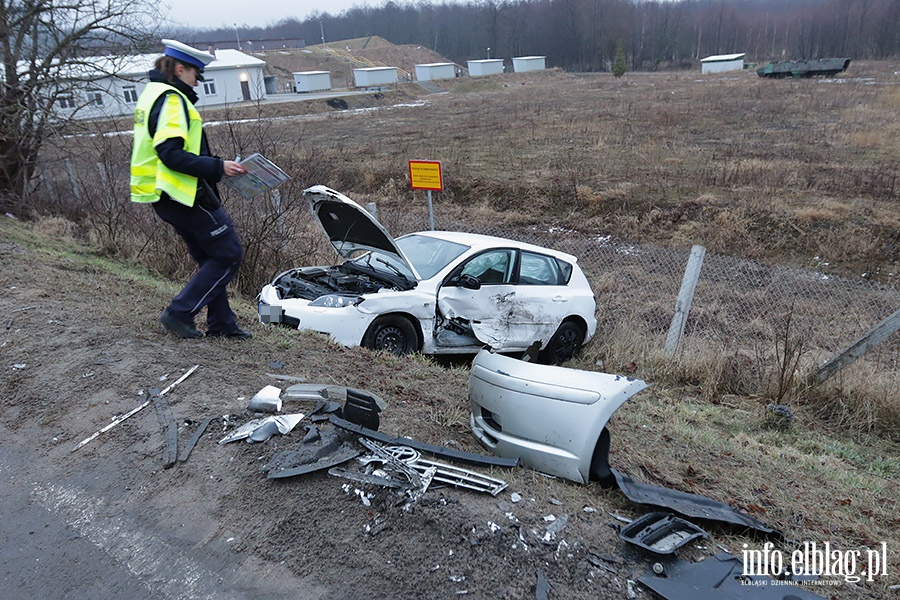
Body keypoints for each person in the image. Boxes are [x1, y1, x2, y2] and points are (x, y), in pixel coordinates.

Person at [130, 39, 251, 340]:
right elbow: (170, 154)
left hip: (164, 196)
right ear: (180, 68)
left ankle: (222, 323)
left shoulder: (152, 92)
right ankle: (180, 312)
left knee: (212, 256)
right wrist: (217, 167)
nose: (198, 81)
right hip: (184, 195)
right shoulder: (172, 99)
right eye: (196, 74)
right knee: (228, 255)